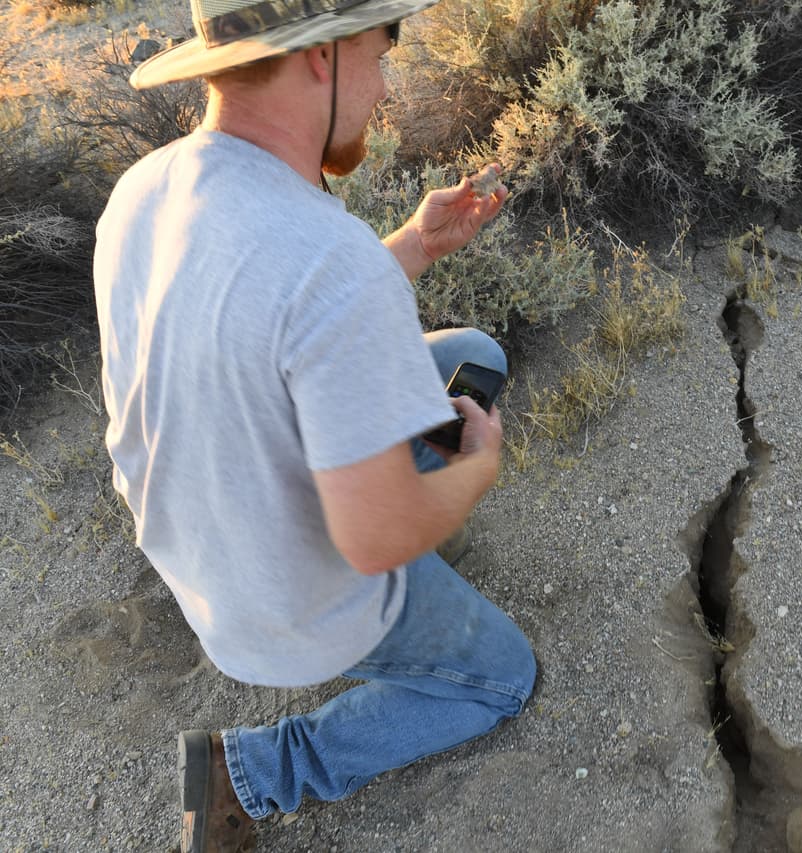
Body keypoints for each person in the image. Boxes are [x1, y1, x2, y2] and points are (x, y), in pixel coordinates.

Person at [93, 0, 537, 849]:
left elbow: (271, 312)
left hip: (197, 535)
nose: (384, 84)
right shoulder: (323, 259)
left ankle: (417, 494)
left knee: (472, 352)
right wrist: (473, 466)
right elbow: (373, 539)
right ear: (323, 58)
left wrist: (409, 245)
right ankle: (254, 772)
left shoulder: (142, 189)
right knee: (499, 677)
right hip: (289, 593)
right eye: (381, 50)